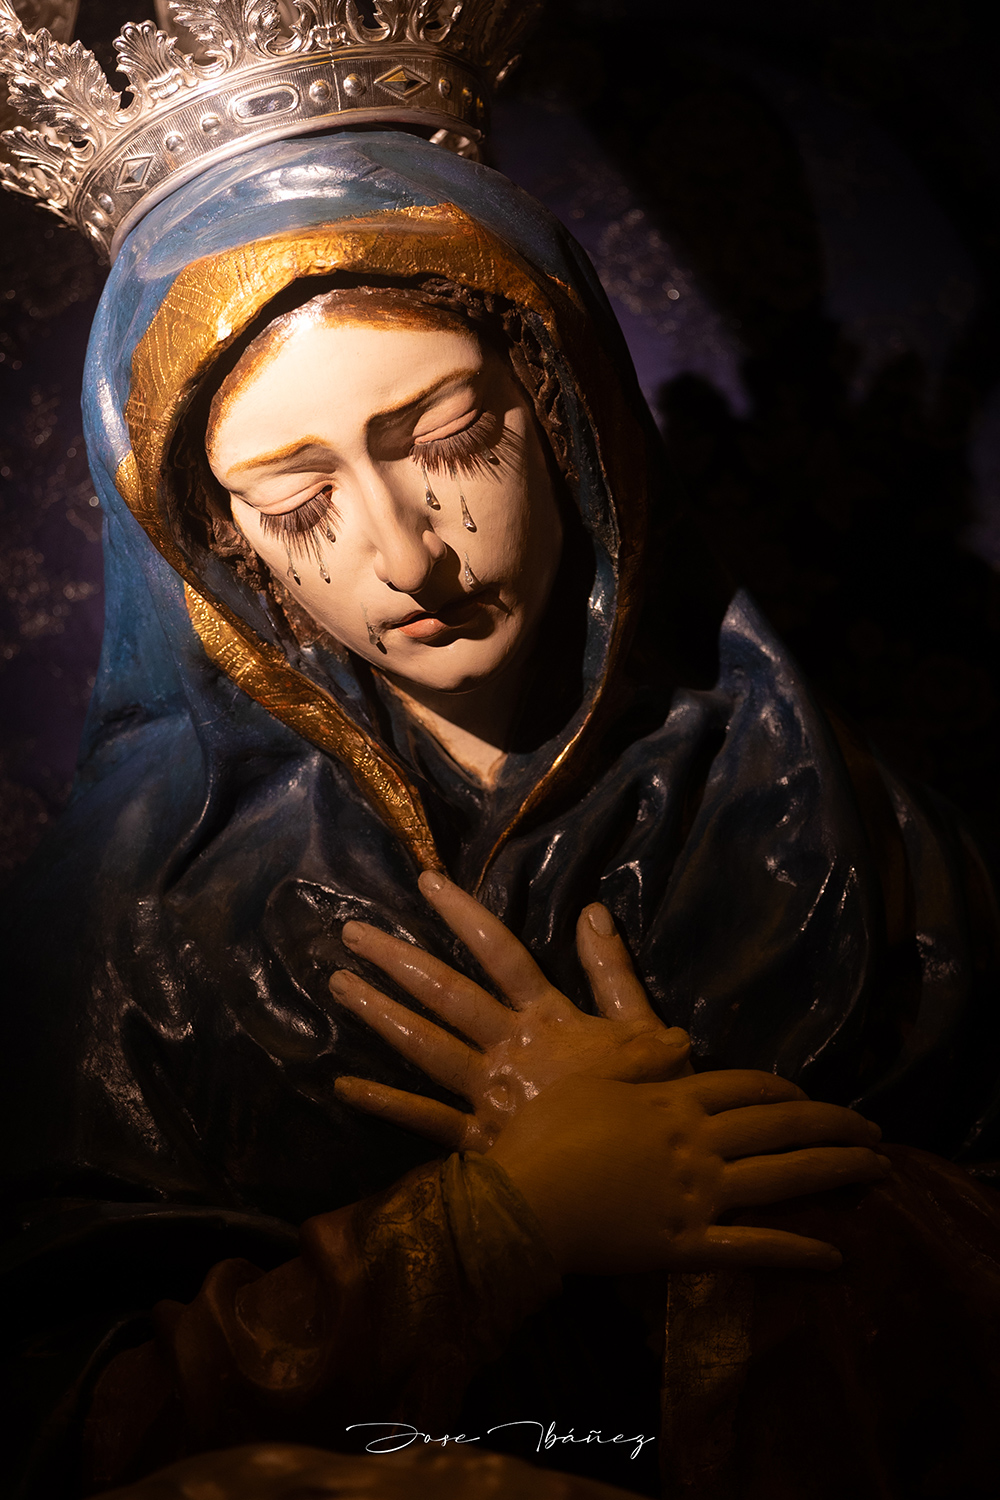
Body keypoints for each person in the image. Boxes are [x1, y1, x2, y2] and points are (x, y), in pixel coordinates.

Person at [2, 24, 1000, 1500]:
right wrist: (487, 1228)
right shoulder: (128, 929)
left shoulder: (819, 813)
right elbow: (52, 1415)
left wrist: (776, 1188)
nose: (406, 555)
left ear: (565, 402)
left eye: (450, 438)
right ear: (217, 543)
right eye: (297, 501)